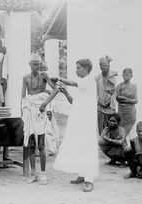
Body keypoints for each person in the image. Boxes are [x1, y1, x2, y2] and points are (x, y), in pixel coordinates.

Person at [40, 58, 98, 192]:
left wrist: (59, 79)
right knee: (80, 148)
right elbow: (73, 101)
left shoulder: (88, 81)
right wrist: (65, 92)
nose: (76, 70)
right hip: (79, 121)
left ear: (86, 69)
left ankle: (89, 180)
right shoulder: (82, 85)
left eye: (78, 67)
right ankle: (82, 175)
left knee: (87, 149)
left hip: (87, 122)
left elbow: (72, 82)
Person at [21, 53, 55, 185]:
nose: (35, 66)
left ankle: (43, 174)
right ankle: (33, 174)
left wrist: (45, 104)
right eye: (33, 64)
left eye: (38, 64)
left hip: (40, 110)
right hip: (29, 110)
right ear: (29, 64)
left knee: (41, 144)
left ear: (40, 65)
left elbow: (56, 89)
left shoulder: (44, 76)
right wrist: (22, 113)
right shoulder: (25, 77)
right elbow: (22, 96)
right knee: (30, 144)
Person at [95, 56, 118, 135]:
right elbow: (96, 92)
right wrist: (100, 102)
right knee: (101, 128)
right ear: (100, 66)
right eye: (102, 65)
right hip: (101, 106)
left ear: (109, 65)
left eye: (106, 65)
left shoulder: (112, 76)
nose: (104, 67)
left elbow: (113, 92)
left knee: (111, 126)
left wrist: (108, 103)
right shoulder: (97, 78)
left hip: (110, 106)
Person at [116, 68, 138, 143]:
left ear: (131, 76)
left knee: (131, 126)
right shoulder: (119, 86)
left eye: (128, 75)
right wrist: (129, 100)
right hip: (122, 111)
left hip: (130, 111)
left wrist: (125, 99)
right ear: (122, 75)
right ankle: (123, 144)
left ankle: (127, 144)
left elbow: (135, 100)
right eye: (125, 75)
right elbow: (118, 98)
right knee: (121, 128)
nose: (126, 77)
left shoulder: (133, 86)